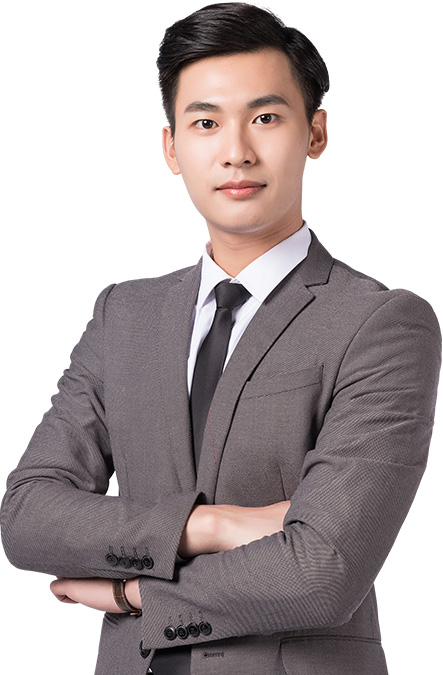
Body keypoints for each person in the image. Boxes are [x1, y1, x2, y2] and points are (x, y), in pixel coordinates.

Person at [1, 3, 441, 674]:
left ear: (315, 133)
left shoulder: (380, 324)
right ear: (171, 147)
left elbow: (321, 570)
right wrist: (206, 525)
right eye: (205, 123)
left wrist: (130, 592)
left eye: (265, 118)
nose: (236, 151)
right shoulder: (125, 315)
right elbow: (28, 516)